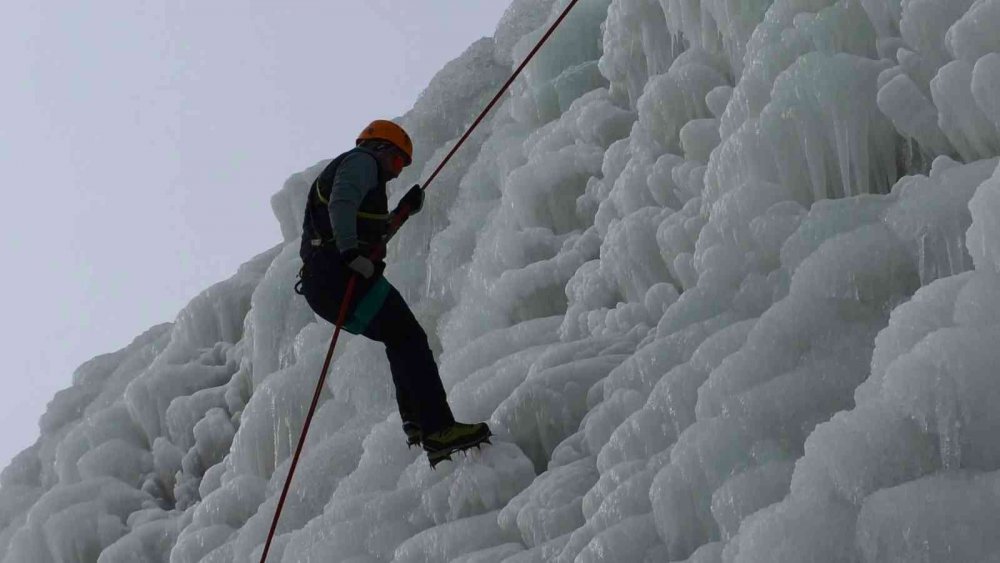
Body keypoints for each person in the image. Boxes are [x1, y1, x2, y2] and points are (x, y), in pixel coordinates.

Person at [295, 119, 491, 467]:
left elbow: (376, 236)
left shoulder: (369, 176)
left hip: (323, 282)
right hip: (337, 271)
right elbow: (341, 202)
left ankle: (417, 420)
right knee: (409, 337)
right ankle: (437, 427)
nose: (398, 172)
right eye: (399, 161)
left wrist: (403, 211)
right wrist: (350, 254)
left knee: (401, 337)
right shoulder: (361, 161)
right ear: (381, 148)